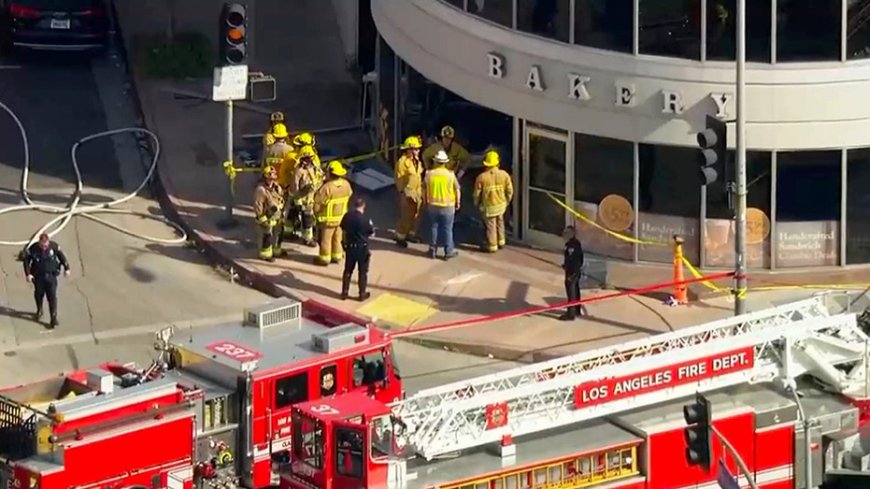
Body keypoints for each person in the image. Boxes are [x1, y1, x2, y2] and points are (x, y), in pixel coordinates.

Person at [23, 233, 70, 328]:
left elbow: (62, 257)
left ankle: (53, 318)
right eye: (42, 246)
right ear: (39, 243)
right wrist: (28, 274)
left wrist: (67, 268)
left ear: (48, 242)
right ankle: (39, 310)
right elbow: (26, 261)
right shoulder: (33, 249)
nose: (44, 248)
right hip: (38, 277)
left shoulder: (54, 247)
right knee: (39, 294)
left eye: (45, 246)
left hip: (51, 276)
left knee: (52, 297)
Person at [473, 150, 514, 253]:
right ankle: (501, 241)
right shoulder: (504, 175)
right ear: (497, 163)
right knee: (500, 223)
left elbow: (477, 194)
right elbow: (510, 190)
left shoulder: (481, 177)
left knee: (491, 226)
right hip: (501, 205)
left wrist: (476, 203)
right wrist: (507, 201)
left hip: (489, 207)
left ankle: (492, 246)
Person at [314, 161, 353, 265]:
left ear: (330, 173)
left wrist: (316, 213)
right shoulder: (346, 184)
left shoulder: (327, 187)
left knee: (326, 240)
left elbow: (318, 203)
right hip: (341, 219)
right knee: (337, 238)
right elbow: (350, 195)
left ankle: (324, 258)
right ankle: (337, 256)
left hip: (328, 220)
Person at [423, 150, 460, 260]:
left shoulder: (429, 174)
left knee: (433, 227)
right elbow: (457, 189)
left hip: (433, 205)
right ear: (445, 163)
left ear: (435, 162)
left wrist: (425, 201)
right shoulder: (450, 175)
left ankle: (432, 250)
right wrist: (458, 202)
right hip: (448, 206)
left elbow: (423, 190)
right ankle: (448, 252)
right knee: (447, 229)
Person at [340, 197, 374, 301]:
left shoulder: (347, 216)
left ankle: (344, 292)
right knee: (362, 272)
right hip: (362, 248)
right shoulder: (365, 220)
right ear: (363, 206)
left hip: (350, 247)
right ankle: (362, 294)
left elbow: (343, 228)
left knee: (348, 270)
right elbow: (371, 233)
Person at [393, 136, 424, 248]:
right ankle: (400, 237)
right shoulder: (402, 163)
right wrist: (403, 193)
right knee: (406, 216)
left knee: (416, 215)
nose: (418, 151)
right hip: (407, 193)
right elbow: (399, 179)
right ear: (409, 149)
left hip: (417, 192)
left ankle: (411, 234)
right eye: (416, 149)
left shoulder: (416, 161)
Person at [291, 145, 322, 247]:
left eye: (311, 158)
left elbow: (320, 176)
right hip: (304, 199)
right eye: (307, 158)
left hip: (314, 196)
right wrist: (298, 200)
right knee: (307, 220)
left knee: (312, 219)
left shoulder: (315, 166)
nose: (309, 160)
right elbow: (295, 186)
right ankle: (308, 239)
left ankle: (312, 234)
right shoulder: (299, 171)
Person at [253, 165, 285, 261]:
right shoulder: (261, 190)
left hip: (277, 215)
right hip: (267, 217)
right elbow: (258, 205)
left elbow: (281, 199)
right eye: (270, 175)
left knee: (278, 234)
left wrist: (282, 214)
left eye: (274, 175)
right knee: (267, 236)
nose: (272, 178)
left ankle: (276, 251)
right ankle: (265, 255)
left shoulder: (277, 187)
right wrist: (262, 219)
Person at [560, 226, 585, 321]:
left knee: (571, 291)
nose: (564, 235)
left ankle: (571, 314)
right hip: (574, 270)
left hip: (572, 271)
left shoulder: (572, 246)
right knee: (575, 289)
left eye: (566, 233)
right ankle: (577, 309)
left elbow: (575, 259)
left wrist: (572, 271)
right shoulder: (575, 243)